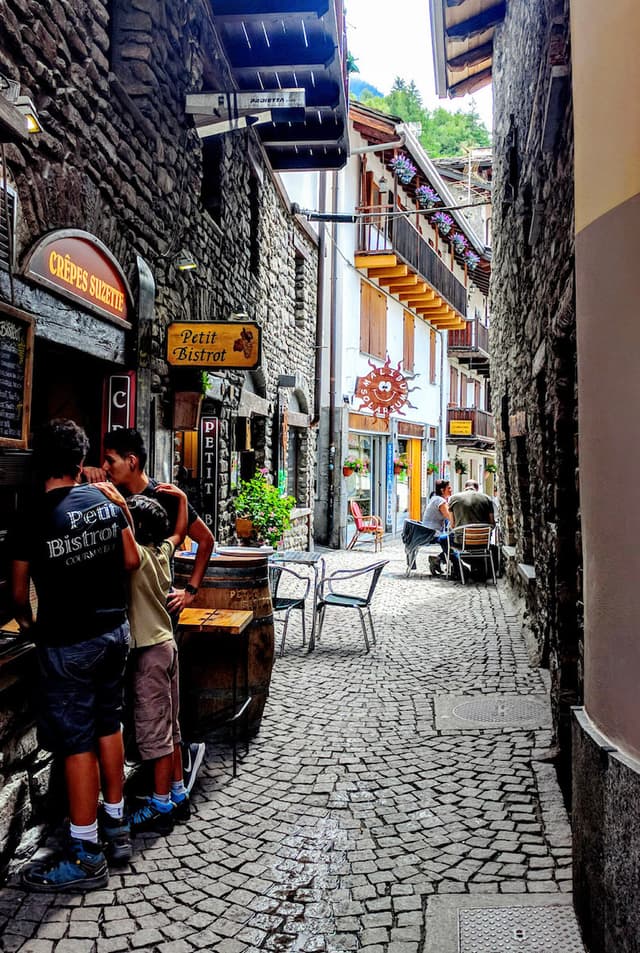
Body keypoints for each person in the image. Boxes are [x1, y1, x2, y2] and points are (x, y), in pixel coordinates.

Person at [11, 419, 140, 892]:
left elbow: (19, 592)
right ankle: (116, 826)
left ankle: (85, 854)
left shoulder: (34, 515)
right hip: (115, 631)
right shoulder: (106, 501)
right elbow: (130, 561)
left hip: (69, 642)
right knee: (109, 724)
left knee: (77, 741)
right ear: (78, 460)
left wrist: (27, 624)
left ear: (40, 461)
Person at [85, 428, 213, 792]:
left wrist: (190, 591)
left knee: (156, 704)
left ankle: (162, 782)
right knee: (143, 705)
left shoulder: (163, 498)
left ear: (132, 461)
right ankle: (158, 778)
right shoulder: (111, 492)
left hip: (152, 623)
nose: (105, 467)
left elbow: (205, 540)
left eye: (109, 460)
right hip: (122, 623)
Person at [97, 484, 191, 835]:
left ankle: (160, 805)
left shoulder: (134, 557)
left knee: (155, 735)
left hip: (148, 654)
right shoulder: (163, 551)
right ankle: (178, 793)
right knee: (172, 727)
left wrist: (118, 502)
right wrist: (181, 500)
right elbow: (180, 533)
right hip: (167, 646)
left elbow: (127, 534)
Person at [445, 479, 495, 578]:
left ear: (465, 487)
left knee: (446, 539)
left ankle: (457, 569)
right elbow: (492, 523)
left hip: (462, 542)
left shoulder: (453, 498)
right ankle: (480, 570)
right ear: (477, 488)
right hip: (483, 542)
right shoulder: (487, 499)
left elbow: (452, 525)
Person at [407, 479, 452, 576]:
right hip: (431, 534)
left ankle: (439, 560)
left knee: (449, 539)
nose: (451, 490)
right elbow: (450, 517)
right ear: (442, 490)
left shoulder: (434, 499)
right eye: (449, 488)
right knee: (450, 539)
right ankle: (449, 564)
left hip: (426, 532)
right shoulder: (440, 501)